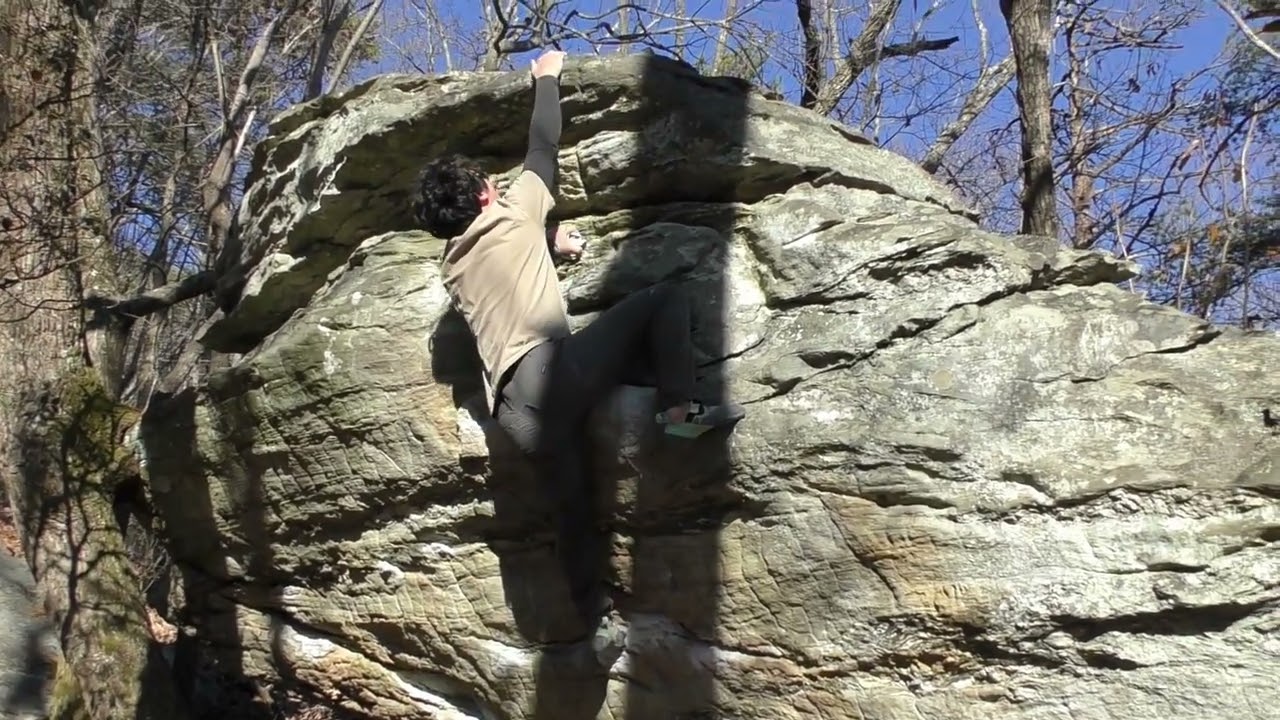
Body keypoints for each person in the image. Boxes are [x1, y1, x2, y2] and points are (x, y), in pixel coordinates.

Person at [413, 49, 745, 655]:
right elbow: (543, 146)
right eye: (490, 182)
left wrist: (546, 243)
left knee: (574, 511)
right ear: (487, 196)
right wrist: (546, 80)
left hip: (514, 416)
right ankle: (679, 417)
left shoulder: (451, 268)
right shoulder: (513, 211)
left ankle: (593, 625)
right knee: (664, 303)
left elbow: (503, 264)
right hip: (551, 375)